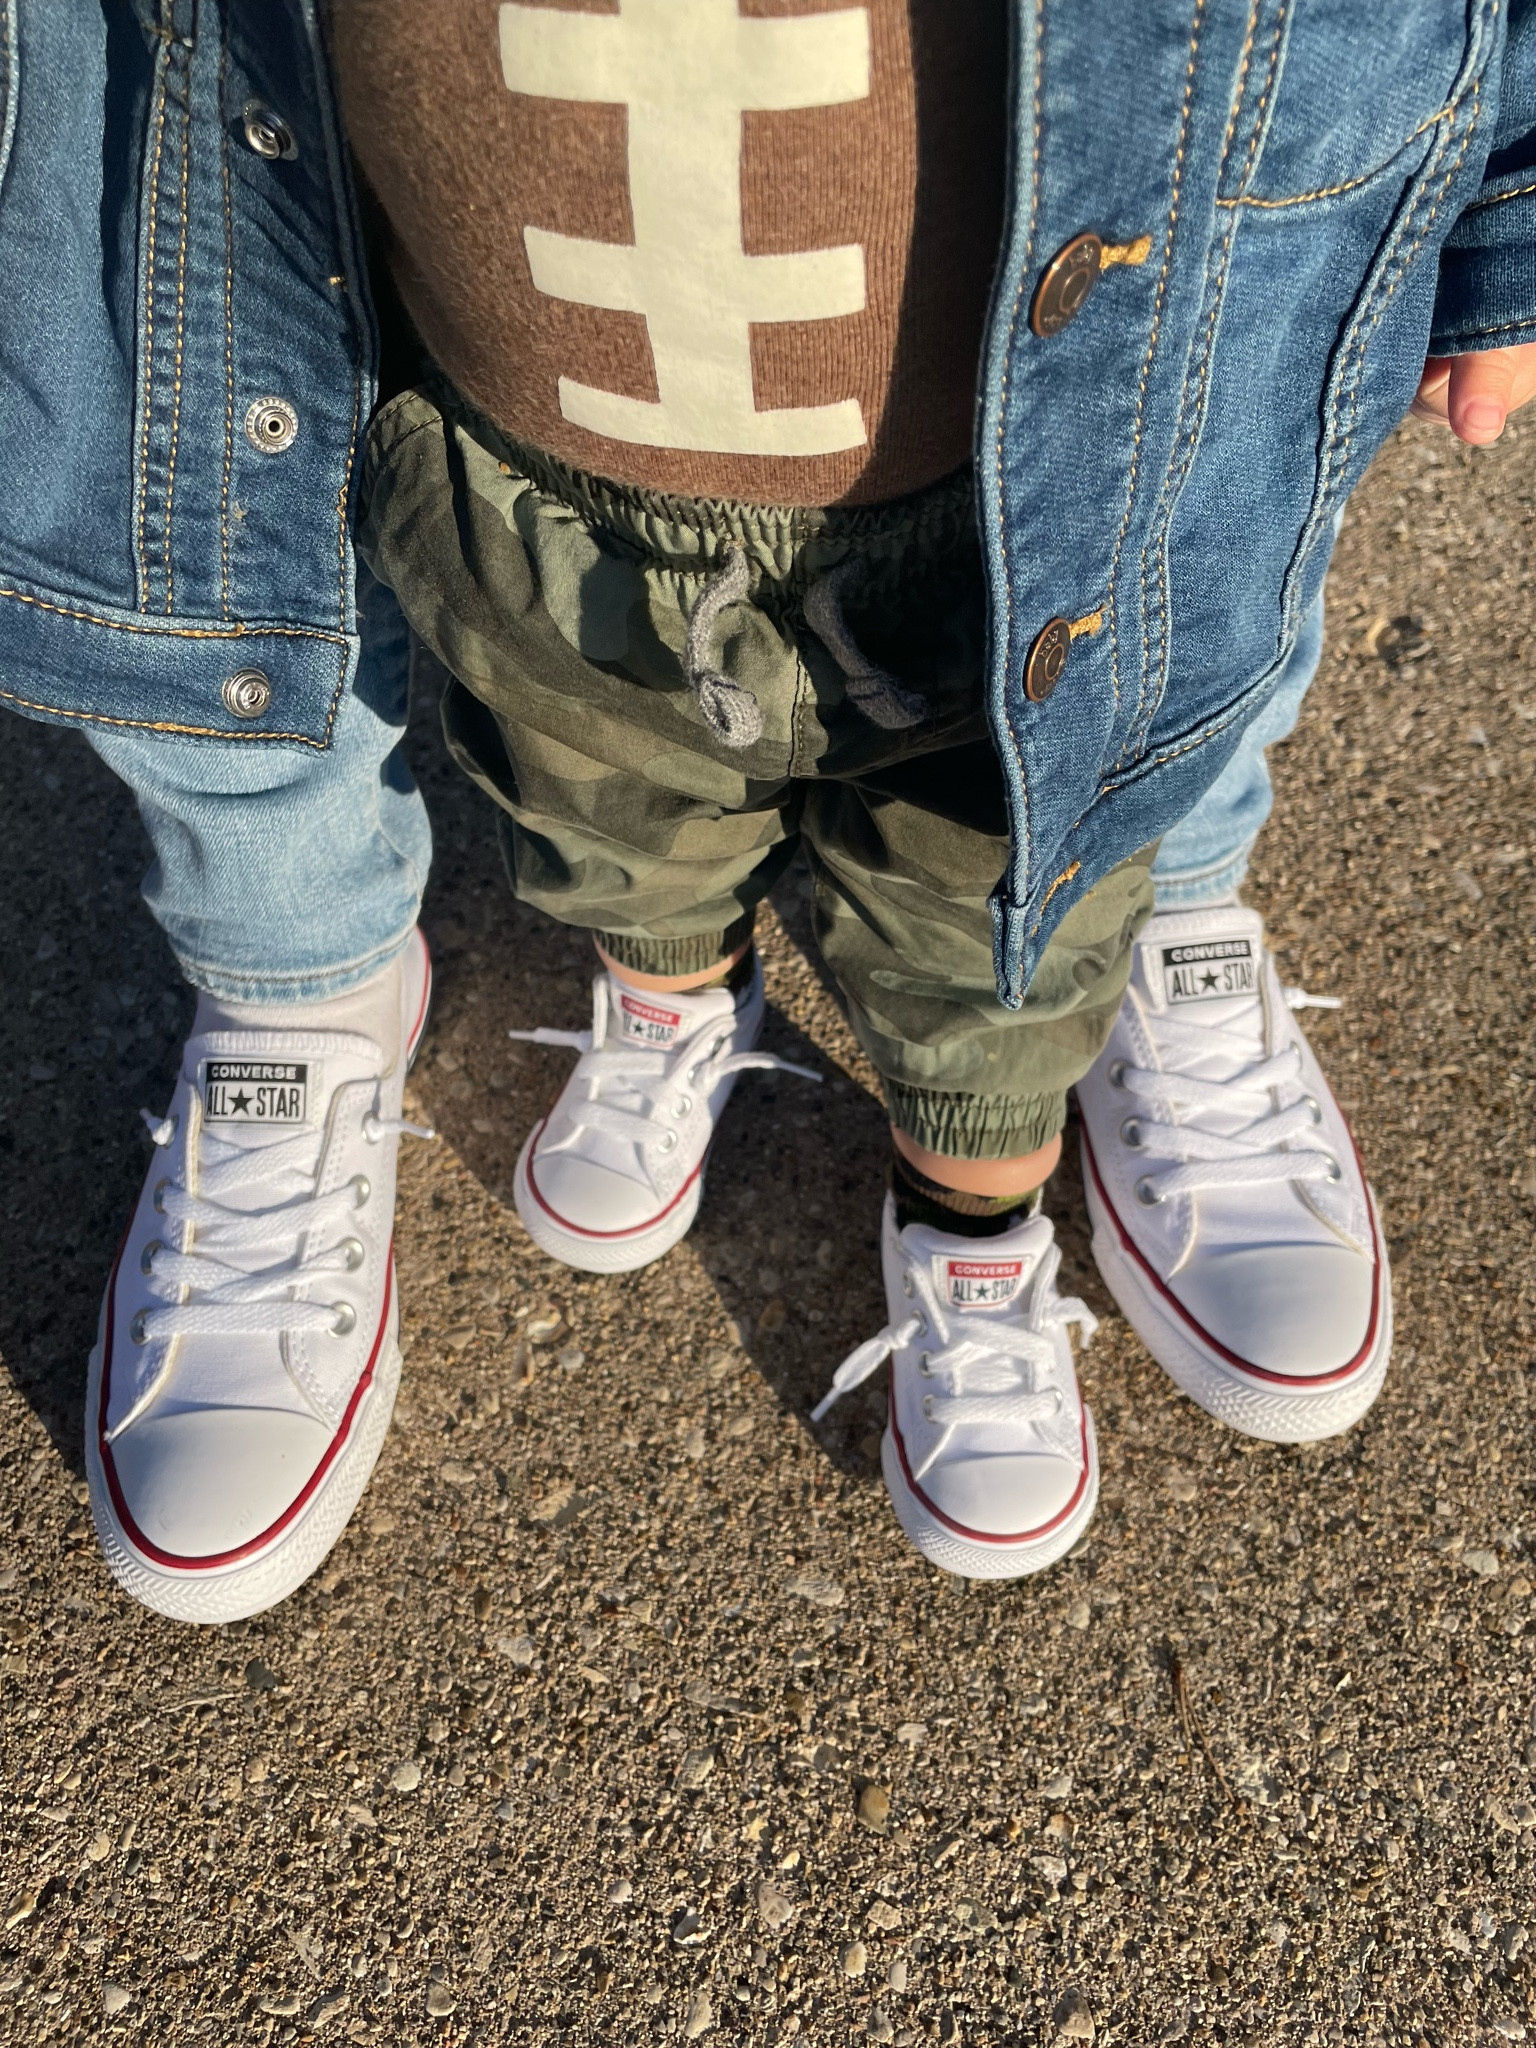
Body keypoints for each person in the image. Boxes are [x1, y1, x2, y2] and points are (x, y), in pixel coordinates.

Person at [2, 4, 1532, 1620]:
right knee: (604, 799)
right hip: (535, 440)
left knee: (1008, 882)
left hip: (1064, 425)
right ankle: (658, 992)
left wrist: (1504, 185)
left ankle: (975, 1205)